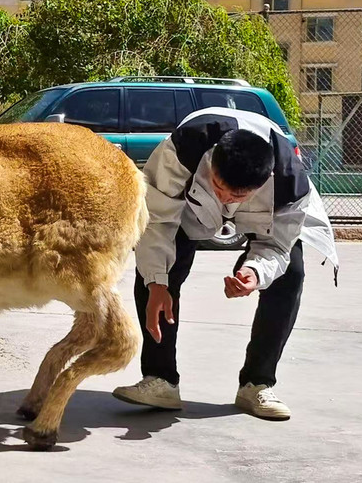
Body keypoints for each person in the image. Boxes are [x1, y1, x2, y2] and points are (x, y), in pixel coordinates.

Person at [113, 107, 338, 420]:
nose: (228, 200)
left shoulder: (290, 182)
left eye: (240, 195)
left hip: (265, 224)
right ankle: (160, 379)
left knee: (291, 274)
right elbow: (157, 220)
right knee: (156, 270)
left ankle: (256, 384)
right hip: (186, 211)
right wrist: (157, 283)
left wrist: (255, 272)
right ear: (212, 162)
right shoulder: (182, 149)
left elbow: (277, 246)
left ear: (264, 181)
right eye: (219, 187)